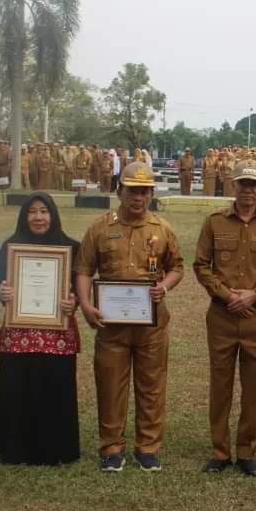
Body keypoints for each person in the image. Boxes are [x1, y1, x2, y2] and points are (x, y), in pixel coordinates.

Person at [77, 162, 184, 472]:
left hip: (151, 323)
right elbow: (84, 269)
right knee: (110, 385)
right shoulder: (100, 228)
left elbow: (177, 267)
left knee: (151, 386)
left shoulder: (162, 229)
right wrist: (85, 304)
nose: (139, 198)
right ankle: (112, 447)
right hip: (111, 325)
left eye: (144, 191)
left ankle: (147, 448)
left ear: (151, 194)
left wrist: (163, 287)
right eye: (132, 191)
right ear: (119, 191)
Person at [193, 161, 256, 477]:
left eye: (254, 184)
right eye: (243, 184)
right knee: (220, 385)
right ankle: (220, 451)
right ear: (233, 186)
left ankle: (247, 450)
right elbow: (201, 265)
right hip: (221, 316)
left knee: (253, 385)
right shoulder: (215, 223)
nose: (248, 190)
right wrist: (227, 295)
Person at [0, 193, 81, 466]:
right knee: (17, 386)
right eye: (32, 212)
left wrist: (74, 300)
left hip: (57, 332)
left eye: (44, 211)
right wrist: (2, 291)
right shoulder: (10, 247)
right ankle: (15, 446)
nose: (39, 217)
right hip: (19, 330)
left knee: (55, 385)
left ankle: (56, 447)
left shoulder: (71, 248)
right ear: (24, 216)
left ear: (53, 215)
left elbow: (81, 288)